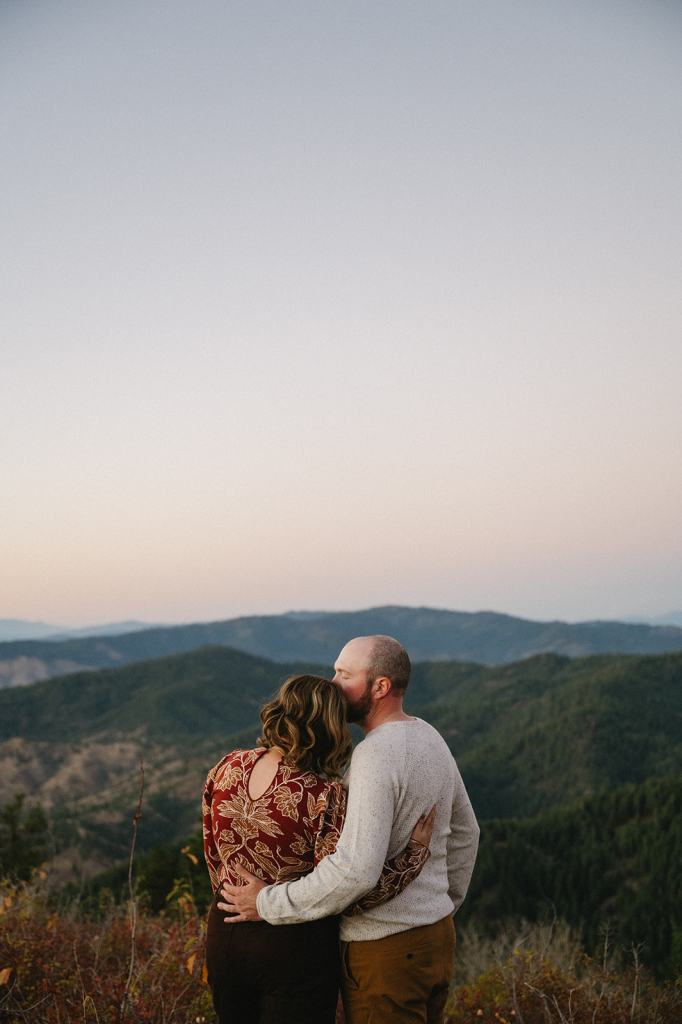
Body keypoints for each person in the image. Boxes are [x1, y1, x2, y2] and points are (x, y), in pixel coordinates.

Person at [219, 635, 480, 1024]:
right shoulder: (429, 735)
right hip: (435, 939)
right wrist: (442, 905)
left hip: (384, 947)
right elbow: (467, 832)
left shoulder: (374, 755)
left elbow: (355, 870)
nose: (333, 684)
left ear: (380, 687)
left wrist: (266, 903)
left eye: (344, 674)